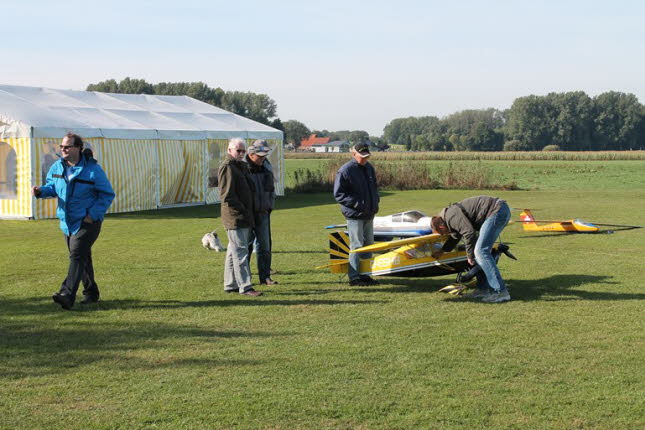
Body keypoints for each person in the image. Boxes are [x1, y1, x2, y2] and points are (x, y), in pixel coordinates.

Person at [32, 133, 115, 310]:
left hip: (88, 221)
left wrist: (92, 214)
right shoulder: (57, 166)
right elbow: (52, 187)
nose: (63, 150)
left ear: (78, 148)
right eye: (62, 146)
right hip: (67, 222)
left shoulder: (92, 170)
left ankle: (67, 294)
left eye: (67, 146)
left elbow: (107, 194)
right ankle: (91, 293)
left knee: (76, 254)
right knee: (82, 257)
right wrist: (41, 191)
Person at [431, 195, 512, 303]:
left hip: (496, 211)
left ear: (441, 226)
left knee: (480, 252)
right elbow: (456, 237)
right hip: (499, 210)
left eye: (442, 233)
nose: (444, 234)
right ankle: (483, 289)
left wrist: (470, 256)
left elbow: (469, 233)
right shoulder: (448, 218)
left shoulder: (450, 217)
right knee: (479, 254)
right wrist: (442, 251)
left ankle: (500, 292)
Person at [218, 138, 263, 296]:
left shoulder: (241, 166)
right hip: (236, 217)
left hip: (243, 215)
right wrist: (243, 211)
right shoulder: (228, 167)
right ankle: (246, 287)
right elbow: (227, 196)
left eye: (244, 151)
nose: (242, 153)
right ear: (229, 150)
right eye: (238, 150)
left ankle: (230, 284)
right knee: (241, 253)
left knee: (233, 251)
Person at [333, 142, 380, 286]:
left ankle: (365, 274)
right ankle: (354, 277)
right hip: (354, 215)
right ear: (354, 154)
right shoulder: (345, 170)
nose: (365, 159)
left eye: (367, 156)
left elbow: (374, 188)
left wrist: (375, 201)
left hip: (369, 214)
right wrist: (357, 204)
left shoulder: (369, 168)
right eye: (362, 157)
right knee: (356, 245)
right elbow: (339, 194)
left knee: (369, 245)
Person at [245, 140, 278, 286]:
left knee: (265, 247)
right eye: (260, 156)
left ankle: (265, 277)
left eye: (264, 156)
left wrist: (269, 206)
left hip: (263, 213)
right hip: (246, 214)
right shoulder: (242, 169)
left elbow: (271, 190)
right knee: (246, 247)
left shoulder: (266, 168)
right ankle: (244, 278)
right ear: (251, 154)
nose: (263, 158)